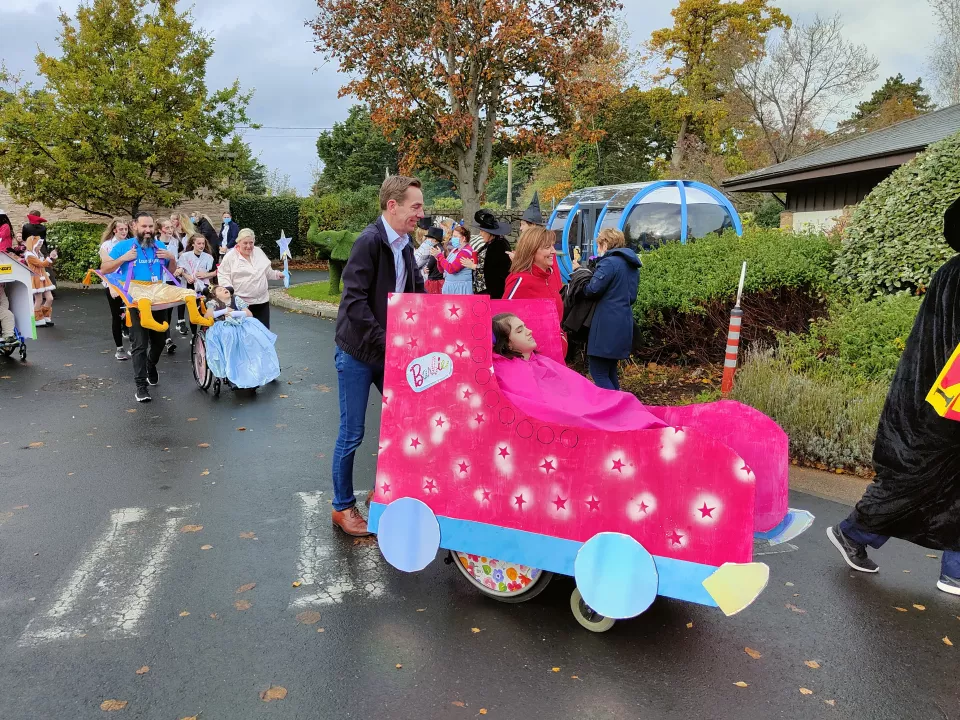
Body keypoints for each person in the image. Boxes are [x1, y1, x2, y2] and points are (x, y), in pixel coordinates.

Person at [826, 199, 960, 595]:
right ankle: (854, 531)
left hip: (934, 396)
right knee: (918, 476)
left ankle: (954, 568)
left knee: (943, 481)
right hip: (943, 403)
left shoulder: (950, 271)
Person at [332, 175, 425, 536]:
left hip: (390, 352)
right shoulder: (369, 242)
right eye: (415, 206)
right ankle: (342, 508)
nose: (421, 213)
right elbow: (353, 302)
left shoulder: (404, 244)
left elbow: (415, 295)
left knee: (404, 425)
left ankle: (382, 493)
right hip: (358, 353)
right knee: (352, 433)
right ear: (392, 206)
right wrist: (389, 343)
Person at [100, 212, 209, 403]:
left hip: (158, 299)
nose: (148, 230)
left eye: (150, 227)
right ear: (135, 226)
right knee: (139, 345)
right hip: (136, 301)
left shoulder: (159, 245)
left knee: (159, 343)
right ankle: (141, 386)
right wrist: (123, 258)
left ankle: (151, 364)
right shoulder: (124, 246)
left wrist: (170, 258)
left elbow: (173, 269)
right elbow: (105, 268)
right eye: (144, 227)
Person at [492, 312, 665, 431]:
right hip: (571, 419)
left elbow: (581, 392)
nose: (529, 331)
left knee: (624, 401)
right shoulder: (508, 372)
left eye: (525, 326)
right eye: (520, 330)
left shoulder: (539, 362)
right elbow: (541, 409)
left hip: (584, 406)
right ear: (507, 344)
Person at [573, 228, 641, 391]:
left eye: (598, 245)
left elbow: (592, 289)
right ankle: (621, 408)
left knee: (598, 372)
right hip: (623, 320)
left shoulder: (610, 262)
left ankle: (615, 413)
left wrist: (579, 272)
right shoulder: (631, 265)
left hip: (606, 323)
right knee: (609, 371)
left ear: (605, 243)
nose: (598, 250)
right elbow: (632, 296)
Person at [503, 226, 567, 355]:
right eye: (547, 247)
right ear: (532, 250)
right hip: (533, 358)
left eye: (553, 246)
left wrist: (561, 338)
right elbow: (503, 320)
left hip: (553, 354)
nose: (553, 251)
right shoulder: (521, 280)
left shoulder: (548, 276)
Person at [203, 283, 281, 388]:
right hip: (224, 326)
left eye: (224, 288)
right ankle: (232, 374)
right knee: (229, 336)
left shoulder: (236, 299)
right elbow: (208, 315)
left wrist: (235, 313)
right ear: (215, 296)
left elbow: (248, 314)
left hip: (240, 324)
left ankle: (261, 366)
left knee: (254, 335)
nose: (224, 290)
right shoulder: (213, 303)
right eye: (220, 290)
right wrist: (224, 311)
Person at [216, 228, 285, 329]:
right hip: (242, 304)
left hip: (262, 301)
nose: (248, 246)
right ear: (238, 242)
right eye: (245, 243)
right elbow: (223, 275)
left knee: (263, 332)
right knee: (247, 334)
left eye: (251, 243)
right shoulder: (230, 257)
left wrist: (278, 274)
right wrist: (228, 291)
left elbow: (267, 272)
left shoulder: (258, 252)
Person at [98, 218, 133, 359]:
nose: (124, 232)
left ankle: (133, 343)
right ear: (114, 230)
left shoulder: (131, 244)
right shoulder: (106, 246)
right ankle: (119, 348)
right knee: (117, 316)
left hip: (129, 284)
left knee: (132, 313)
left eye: (125, 229)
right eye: (121, 229)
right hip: (113, 284)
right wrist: (112, 286)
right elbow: (105, 269)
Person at [175, 233, 216, 334]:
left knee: (203, 311)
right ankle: (194, 335)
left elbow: (215, 272)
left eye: (203, 243)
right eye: (199, 243)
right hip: (190, 287)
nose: (201, 245)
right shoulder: (185, 256)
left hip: (204, 288)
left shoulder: (208, 257)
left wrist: (205, 275)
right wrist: (186, 275)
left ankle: (203, 332)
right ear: (193, 244)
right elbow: (180, 269)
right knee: (193, 312)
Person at [472, 209, 513, 298]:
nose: (480, 234)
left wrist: (474, 266)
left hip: (493, 291)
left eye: (482, 231)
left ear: (490, 233)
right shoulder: (489, 244)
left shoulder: (499, 245)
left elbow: (497, 270)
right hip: (485, 289)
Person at [433, 225, 476, 295]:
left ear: (463, 238)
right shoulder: (454, 250)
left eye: (455, 236)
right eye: (453, 236)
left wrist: (440, 256)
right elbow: (442, 270)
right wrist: (438, 258)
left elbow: (451, 269)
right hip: (451, 287)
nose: (453, 238)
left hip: (460, 288)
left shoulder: (466, 252)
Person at [24, 235, 57, 327]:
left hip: (44, 277)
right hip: (36, 278)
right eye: (38, 245)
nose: (40, 247)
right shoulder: (29, 255)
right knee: (38, 299)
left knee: (50, 298)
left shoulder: (38, 254)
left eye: (40, 245)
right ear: (33, 245)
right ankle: (36, 319)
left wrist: (52, 258)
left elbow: (46, 264)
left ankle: (44, 316)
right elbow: (41, 264)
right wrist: (50, 257)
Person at [421, 227, 445, 293]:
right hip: (439, 279)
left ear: (434, 240)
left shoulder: (436, 249)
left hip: (434, 281)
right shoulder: (441, 248)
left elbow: (429, 267)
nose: (427, 239)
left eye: (429, 238)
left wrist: (425, 269)